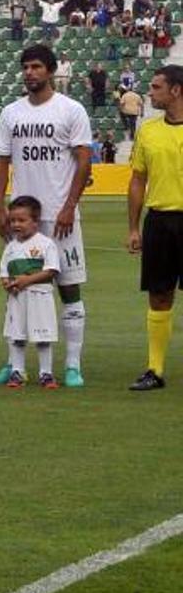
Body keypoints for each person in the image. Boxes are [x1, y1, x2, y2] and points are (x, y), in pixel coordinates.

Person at [0, 45, 92, 388]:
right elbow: (1, 160)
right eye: (25, 67)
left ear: (50, 71)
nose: (29, 72)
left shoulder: (71, 110)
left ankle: (73, 365)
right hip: (23, 219)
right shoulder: (11, 113)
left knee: (69, 286)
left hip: (60, 216)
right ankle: (14, 364)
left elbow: (83, 160)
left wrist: (69, 206)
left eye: (36, 67)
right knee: (16, 286)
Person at [126, 66, 183, 390]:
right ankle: (155, 369)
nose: (150, 92)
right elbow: (137, 181)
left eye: (156, 87)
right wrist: (133, 228)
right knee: (159, 295)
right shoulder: (148, 130)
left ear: (176, 90)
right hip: (160, 221)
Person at [0, 196, 62, 390]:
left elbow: (51, 271)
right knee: (16, 336)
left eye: (21, 220)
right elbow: (4, 273)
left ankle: (46, 373)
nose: (16, 224)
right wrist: (7, 283)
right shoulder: (10, 247)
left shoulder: (45, 244)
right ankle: (18, 371)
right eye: (13, 220)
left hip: (40, 297)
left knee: (43, 337)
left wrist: (27, 281)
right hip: (17, 299)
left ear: (35, 221)